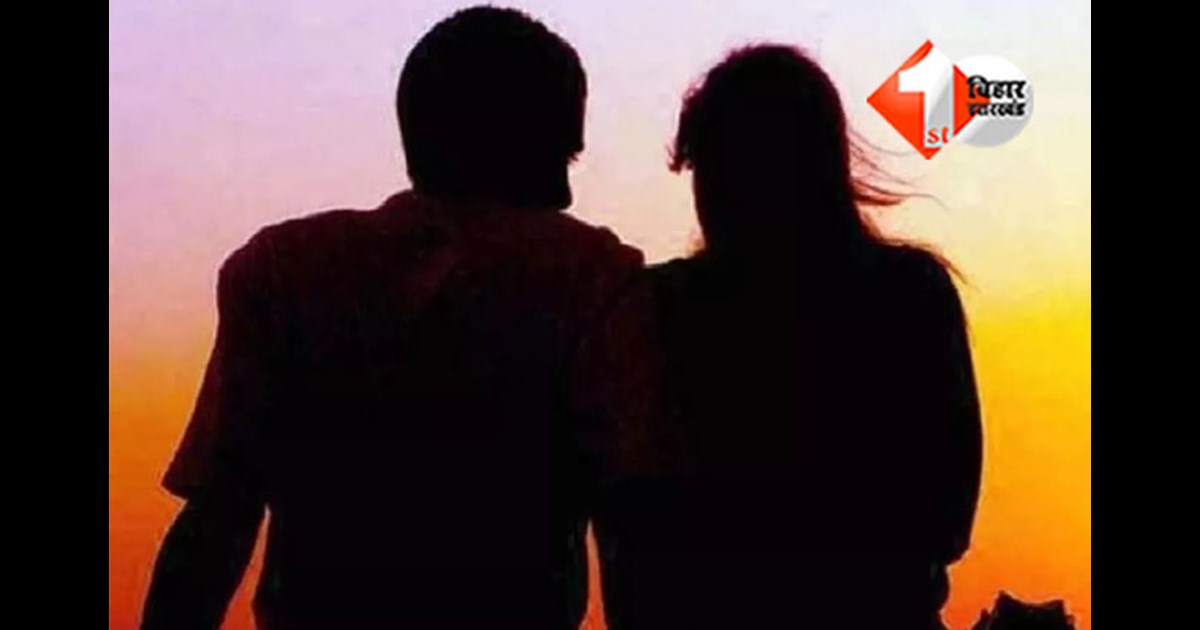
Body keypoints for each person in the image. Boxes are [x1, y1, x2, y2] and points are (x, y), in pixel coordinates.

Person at [140, 7, 644, 629]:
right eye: (560, 158)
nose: (566, 194)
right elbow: (629, 527)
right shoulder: (593, 275)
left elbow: (216, 519)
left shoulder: (283, 269)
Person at [593, 45, 984, 629]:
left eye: (724, 166)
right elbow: (946, 516)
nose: (711, 194)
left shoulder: (660, 306)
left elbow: (628, 513)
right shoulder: (909, 292)